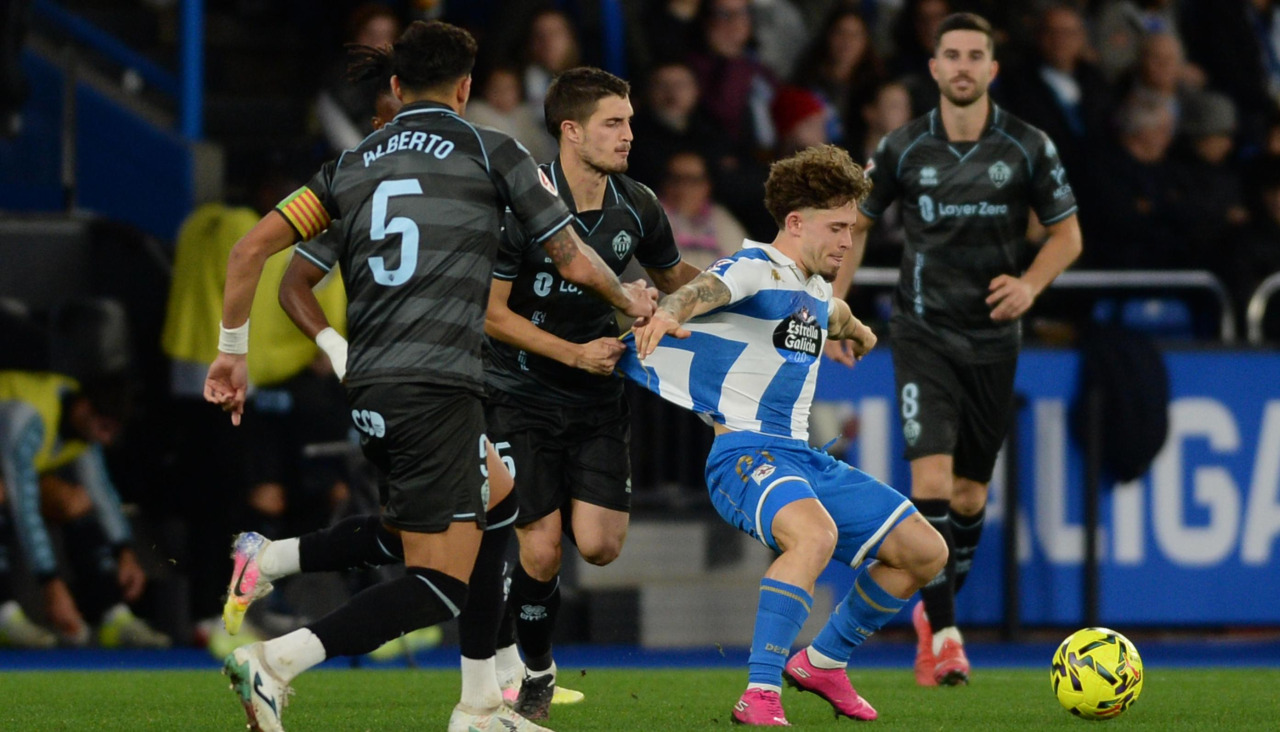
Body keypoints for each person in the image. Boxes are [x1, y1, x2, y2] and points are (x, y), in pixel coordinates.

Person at [202, 21, 655, 732]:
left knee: (499, 505)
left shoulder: (351, 163)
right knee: (441, 582)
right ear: (467, 88)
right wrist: (629, 298)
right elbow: (570, 257)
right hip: (434, 385)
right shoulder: (491, 150)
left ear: (393, 87)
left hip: (379, 382)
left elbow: (250, 252)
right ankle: (277, 662)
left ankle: (479, 702)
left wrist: (231, 352)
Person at [626, 144, 947, 726]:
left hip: (803, 456)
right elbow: (707, 289)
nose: (849, 242)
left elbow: (833, 312)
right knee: (814, 537)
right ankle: (760, 691)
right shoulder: (755, 267)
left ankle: (824, 661)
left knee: (924, 552)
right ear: (796, 223)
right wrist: (671, 311)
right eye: (838, 227)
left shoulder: (815, 287)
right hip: (744, 455)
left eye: (852, 227)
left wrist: (858, 331)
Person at [828, 12, 1083, 687]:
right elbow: (855, 225)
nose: (964, 66)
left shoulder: (1027, 145)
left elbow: (1067, 235)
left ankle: (929, 611)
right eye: (952, 55)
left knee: (970, 497)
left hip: (995, 338)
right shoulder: (904, 147)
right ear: (935, 68)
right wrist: (838, 306)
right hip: (924, 332)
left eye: (976, 55)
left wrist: (1030, 284)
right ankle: (944, 632)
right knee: (934, 483)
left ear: (992, 69)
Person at [483, 66, 701, 721]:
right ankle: (537, 673)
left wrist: (746, 294)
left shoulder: (637, 204)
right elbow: (491, 313)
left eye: (630, 122)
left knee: (601, 546)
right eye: (614, 122)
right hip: (519, 393)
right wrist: (575, 352)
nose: (629, 134)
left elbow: (675, 275)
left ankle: (511, 598)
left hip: (598, 400)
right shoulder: (521, 203)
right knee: (543, 548)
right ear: (571, 131)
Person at [0, 371, 169, 648]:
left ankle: (110, 613)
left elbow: (99, 489)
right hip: (7, 477)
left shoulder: (79, 418)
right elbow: (23, 504)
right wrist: (50, 583)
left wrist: (124, 551)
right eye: (103, 427)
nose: (104, 439)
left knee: (74, 501)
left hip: (9, 469)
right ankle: (3, 614)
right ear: (84, 409)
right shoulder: (28, 417)